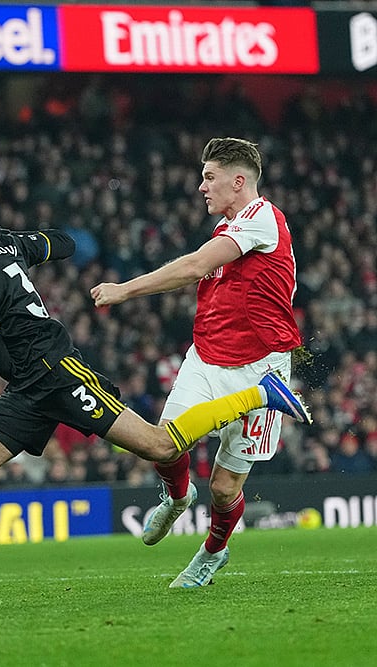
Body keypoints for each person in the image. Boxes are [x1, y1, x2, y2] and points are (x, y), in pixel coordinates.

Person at [0, 195, 310, 602]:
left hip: (56, 376)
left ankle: (260, 394)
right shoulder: (5, 246)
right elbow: (64, 243)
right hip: (33, 384)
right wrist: (10, 238)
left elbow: (5, 364)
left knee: (161, 444)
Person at [91, 137, 310, 588]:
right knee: (160, 445)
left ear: (238, 181)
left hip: (263, 367)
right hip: (208, 358)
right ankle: (175, 497)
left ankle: (212, 552)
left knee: (226, 489)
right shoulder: (228, 226)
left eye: (209, 178)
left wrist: (124, 290)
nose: (200, 187)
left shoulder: (261, 220)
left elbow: (193, 267)